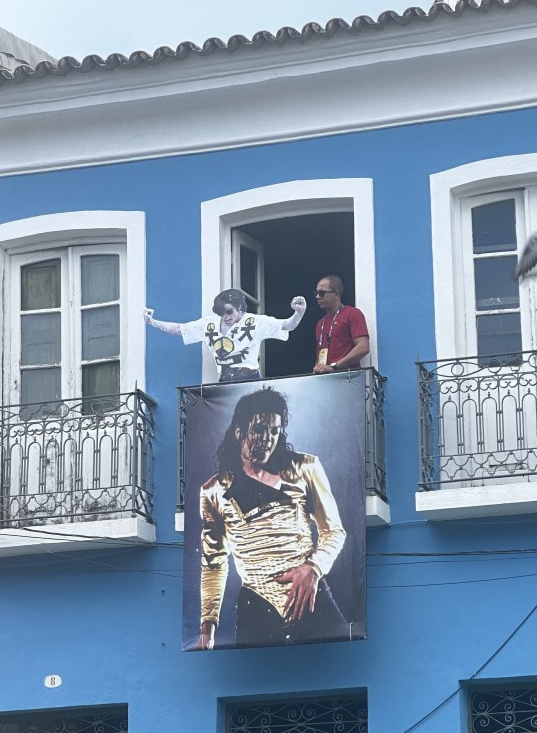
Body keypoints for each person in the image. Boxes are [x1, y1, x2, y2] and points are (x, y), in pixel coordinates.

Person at [197, 386, 349, 649]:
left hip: (310, 594)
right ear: (239, 432)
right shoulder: (214, 490)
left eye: (274, 431)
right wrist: (207, 629)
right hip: (256, 605)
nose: (267, 438)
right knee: (253, 685)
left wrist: (313, 568)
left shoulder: (305, 468)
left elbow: (334, 531)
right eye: (258, 429)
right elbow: (213, 562)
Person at [145, 289, 307, 383]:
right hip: (224, 382)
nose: (226, 317)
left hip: (249, 380)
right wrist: (152, 322)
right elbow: (179, 329)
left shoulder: (256, 322)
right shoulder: (209, 324)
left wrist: (299, 312)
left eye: (229, 311)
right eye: (221, 313)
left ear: (239, 308)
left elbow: (287, 325)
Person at [312, 275, 369, 374]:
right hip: (325, 380)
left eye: (322, 293)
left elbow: (363, 347)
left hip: (348, 379)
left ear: (336, 294)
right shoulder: (320, 323)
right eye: (316, 293)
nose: (317, 296)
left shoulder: (352, 314)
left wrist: (334, 366)